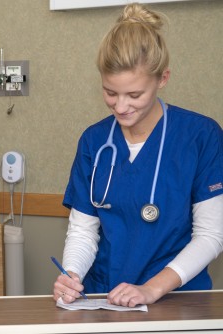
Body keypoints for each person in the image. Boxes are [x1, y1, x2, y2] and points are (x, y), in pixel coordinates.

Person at [54, 3, 223, 308]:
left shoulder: (200, 136)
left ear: (163, 79)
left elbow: (211, 235)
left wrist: (151, 288)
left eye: (134, 95)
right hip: (103, 298)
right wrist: (72, 273)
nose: (120, 107)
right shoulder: (94, 141)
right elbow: (83, 229)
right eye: (110, 92)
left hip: (177, 301)